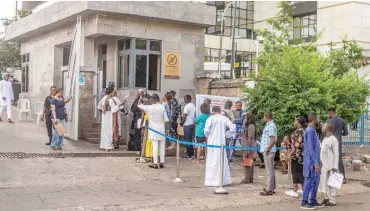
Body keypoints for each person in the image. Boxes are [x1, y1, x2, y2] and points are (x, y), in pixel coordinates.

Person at [204, 106, 235, 186]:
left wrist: (209, 135)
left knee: (212, 161)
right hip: (221, 142)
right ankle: (223, 180)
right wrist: (226, 135)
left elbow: (206, 131)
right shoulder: (224, 118)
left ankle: (211, 181)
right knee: (222, 160)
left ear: (213, 111)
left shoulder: (210, 119)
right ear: (219, 111)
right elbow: (233, 127)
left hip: (212, 143)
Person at [138, 94, 170, 168]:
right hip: (161, 130)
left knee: (155, 147)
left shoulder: (150, 108)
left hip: (154, 131)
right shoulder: (162, 107)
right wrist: (167, 129)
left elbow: (139, 105)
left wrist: (141, 97)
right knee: (162, 146)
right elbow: (166, 120)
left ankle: (155, 163)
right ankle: (162, 162)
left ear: (151, 100)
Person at [301, 112, 323, 210]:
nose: (318, 120)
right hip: (311, 161)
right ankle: (304, 202)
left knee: (316, 180)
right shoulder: (309, 130)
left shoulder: (313, 130)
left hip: (315, 160)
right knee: (309, 180)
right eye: (317, 118)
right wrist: (315, 162)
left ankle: (313, 200)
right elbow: (310, 148)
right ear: (314, 118)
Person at [319, 123, 339, 207]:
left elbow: (336, 153)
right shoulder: (324, 139)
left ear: (328, 129)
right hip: (324, 164)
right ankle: (326, 197)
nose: (322, 127)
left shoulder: (333, 140)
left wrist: (335, 166)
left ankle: (332, 200)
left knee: (331, 183)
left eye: (324, 126)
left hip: (331, 165)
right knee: (323, 181)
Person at [285, 116, 306, 197]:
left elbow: (297, 145)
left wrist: (289, 154)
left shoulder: (299, 131)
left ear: (298, 122)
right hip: (301, 155)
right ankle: (302, 189)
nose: (294, 123)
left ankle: (295, 190)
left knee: (296, 172)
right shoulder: (303, 130)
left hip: (297, 155)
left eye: (295, 121)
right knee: (300, 172)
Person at [327, 107, 348, 183]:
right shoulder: (342, 121)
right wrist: (339, 133)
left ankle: (332, 179)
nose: (328, 115)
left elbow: (326, 132)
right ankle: (343, 179)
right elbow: (346, 133)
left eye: (328, 113)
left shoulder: (329, 121)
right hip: (338, 143)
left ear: (331, 113)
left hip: (331, 142)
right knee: (339, 160)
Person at [259, 111, 277, 196]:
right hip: (268, 150)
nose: (263, 118)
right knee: (271, 170)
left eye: (264, 117)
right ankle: (271, 188)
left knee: (269, 171)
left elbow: (273, 139)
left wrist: (267, 149)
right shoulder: (270, 125)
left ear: (267, 117)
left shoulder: (271, 126)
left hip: (269, 151)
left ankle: (269, 189)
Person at [98, 87, 120, 151]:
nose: (114, 93)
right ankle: (108, 147)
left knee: (104, 131)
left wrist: (103, 112)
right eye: (113, 92)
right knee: (109, 131)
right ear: (110, 93)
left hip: (104, 116)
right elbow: (114, 109)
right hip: (109, 116)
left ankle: (103, 146)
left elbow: (99, 107)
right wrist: (119, 106)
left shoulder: (103, 98)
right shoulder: (111, 99)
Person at [240, 112, 257, 184]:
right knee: (249, 162)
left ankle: (247, 178)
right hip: (247, 146)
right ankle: (249, 178)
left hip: (248, 147)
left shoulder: (251, 126)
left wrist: (248, 149)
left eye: (246, 117)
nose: (244, 119)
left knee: (247, 162)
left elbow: (250, 138)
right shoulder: (248, 126)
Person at [181, 94, 196, 159]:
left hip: (187, 125)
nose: (185, 100)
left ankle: (188, 154)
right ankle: (192, 153)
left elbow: (184, 115)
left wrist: (182, 123)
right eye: (184, 99)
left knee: (187, 140)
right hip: (192, 124)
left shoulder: (187, 106)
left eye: (186, 99)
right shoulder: (193, 105)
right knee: (190, 140)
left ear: (190, 99)